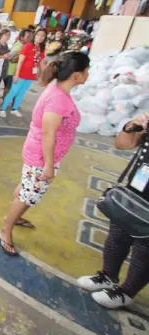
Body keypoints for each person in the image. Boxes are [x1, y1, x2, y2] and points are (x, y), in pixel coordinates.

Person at [0, 52, 90, 256]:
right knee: (29, 194)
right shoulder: (57, 98)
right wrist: (48, 164)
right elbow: (49, 132)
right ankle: (6, 229)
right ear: (76, 75)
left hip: (42, 153)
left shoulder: (58, 91)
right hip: (42, 156)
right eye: (86, 70)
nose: (88, 73)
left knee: (26, 187)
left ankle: (15, 216)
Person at [77, 112, 149, 309]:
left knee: (145, 249)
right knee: (117, 235)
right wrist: (131, 127)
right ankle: (108, 276)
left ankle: (127, 292)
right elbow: (123, 144)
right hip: (136, 190)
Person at [0, 28, 46, 117]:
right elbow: (20, 61)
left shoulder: (41, 49)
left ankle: (14, 109)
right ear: (35, 35)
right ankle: (3, 108)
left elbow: (41, 63)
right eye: (38, 35)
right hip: (21, 74)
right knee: (13, 91)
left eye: (43, 35)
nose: (40, 37)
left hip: (31, 75)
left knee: (22, 92)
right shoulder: (28, 45)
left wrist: (40, 76)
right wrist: (16, 74)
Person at [2, 28, 32, 102]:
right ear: (21, 37)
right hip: (11, 71)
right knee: (8, 88)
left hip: (14, 71)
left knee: (11, 88)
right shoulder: (19, 45)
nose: (30, 39)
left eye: (31, 37)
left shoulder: (23, 45)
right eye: (27, 37)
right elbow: (9, 57)